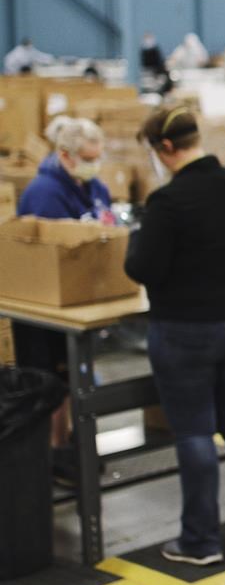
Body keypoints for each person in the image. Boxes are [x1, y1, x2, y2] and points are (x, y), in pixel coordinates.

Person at [125, 107, 225, 565]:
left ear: (166, 149)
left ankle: (200, 541)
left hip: (186, 329)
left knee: (195, 431)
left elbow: (143, 268)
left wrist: (135, 239)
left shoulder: (167, 202)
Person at [14, 118, 114, 483]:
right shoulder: (44, 193)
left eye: (97, 156)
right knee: (53, 381)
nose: (94, 163)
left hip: (85, 301)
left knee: (76, 378)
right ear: (65, 156)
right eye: (88, 158)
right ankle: (55, 451)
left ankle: (70, 442)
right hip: (48, 307)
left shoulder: (94, 186)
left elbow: (107, 226)